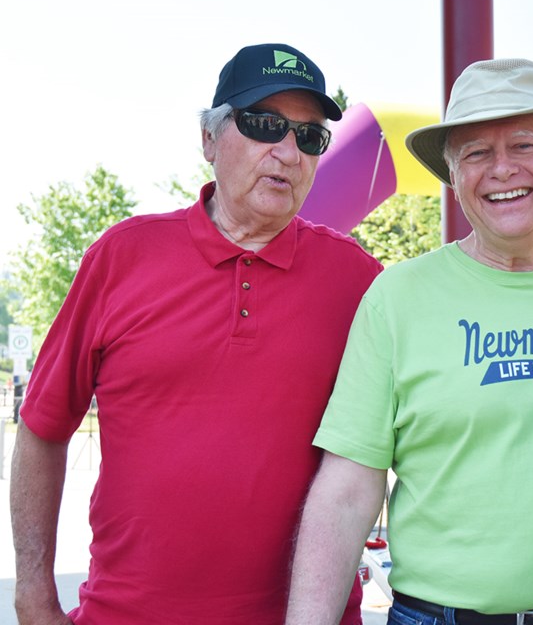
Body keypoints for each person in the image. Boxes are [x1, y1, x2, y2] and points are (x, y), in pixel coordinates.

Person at [9, 42, 381, 625]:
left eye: (310, 136)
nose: (288, 151)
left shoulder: (359, 279)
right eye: (265, 125)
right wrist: (33, 598)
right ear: (209, 139)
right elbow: (42, 427)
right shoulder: (122, 257)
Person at [285, 58, 533, 625]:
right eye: (477, 153)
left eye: (525, 145)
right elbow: (347, 489)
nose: (502, 169)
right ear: (454, 176)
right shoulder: (397, 298)